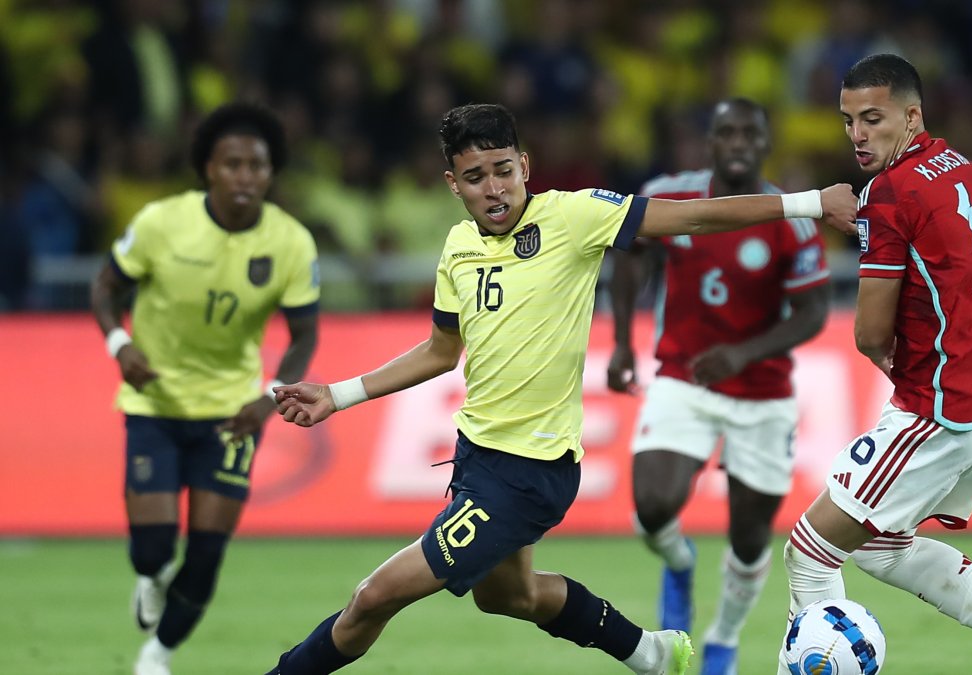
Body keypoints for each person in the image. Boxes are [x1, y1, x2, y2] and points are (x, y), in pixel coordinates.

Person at [265, 103, 858, 675]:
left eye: (503, 171)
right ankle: (653, 654)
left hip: (531, 472)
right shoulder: (457, 248)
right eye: (475, 177)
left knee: (373, 597)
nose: (494, 189)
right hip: (477, 457)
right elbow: (442, 352)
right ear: (453, 183)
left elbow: (692, 217)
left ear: (525, 165)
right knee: (512, 597)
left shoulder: (575, 216)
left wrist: (807, 204)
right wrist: (337, 395)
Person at [775, 54, 972, 675]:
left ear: (911, 116)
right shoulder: (962, 168)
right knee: (882, 550)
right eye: (848, 121)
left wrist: (885, 353)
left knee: (810, 552)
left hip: (937, 408)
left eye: (873, 119)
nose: (858, 135)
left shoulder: (888, 195)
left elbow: (868, 331)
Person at [90, 102, 320, 675]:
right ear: (208, 169)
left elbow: (304, 334)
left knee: (209, 550)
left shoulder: (290, 242)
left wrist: (271, 397)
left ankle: (157, 654)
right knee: (152, 547)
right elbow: (104, 286)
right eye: (233, 164)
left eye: (257, 166)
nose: (246, 176)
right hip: (155, 402)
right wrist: (121, 346)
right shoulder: (162, 222)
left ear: (271, 173)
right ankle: (152, 577)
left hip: (231, 413)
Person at [606, 98, 831, 675]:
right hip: (684, 376)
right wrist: (626, 342)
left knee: (751, 539)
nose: (737, 143)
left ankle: (723, 641)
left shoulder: (791, 216)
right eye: (725, 132)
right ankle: (679, 562)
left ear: (764, 145)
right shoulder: (670, 194)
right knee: (653, 506)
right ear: (709, 142)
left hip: (761, 393)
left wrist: (743, 353)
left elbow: (812, 313)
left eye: (748, 134)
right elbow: (627, 253)